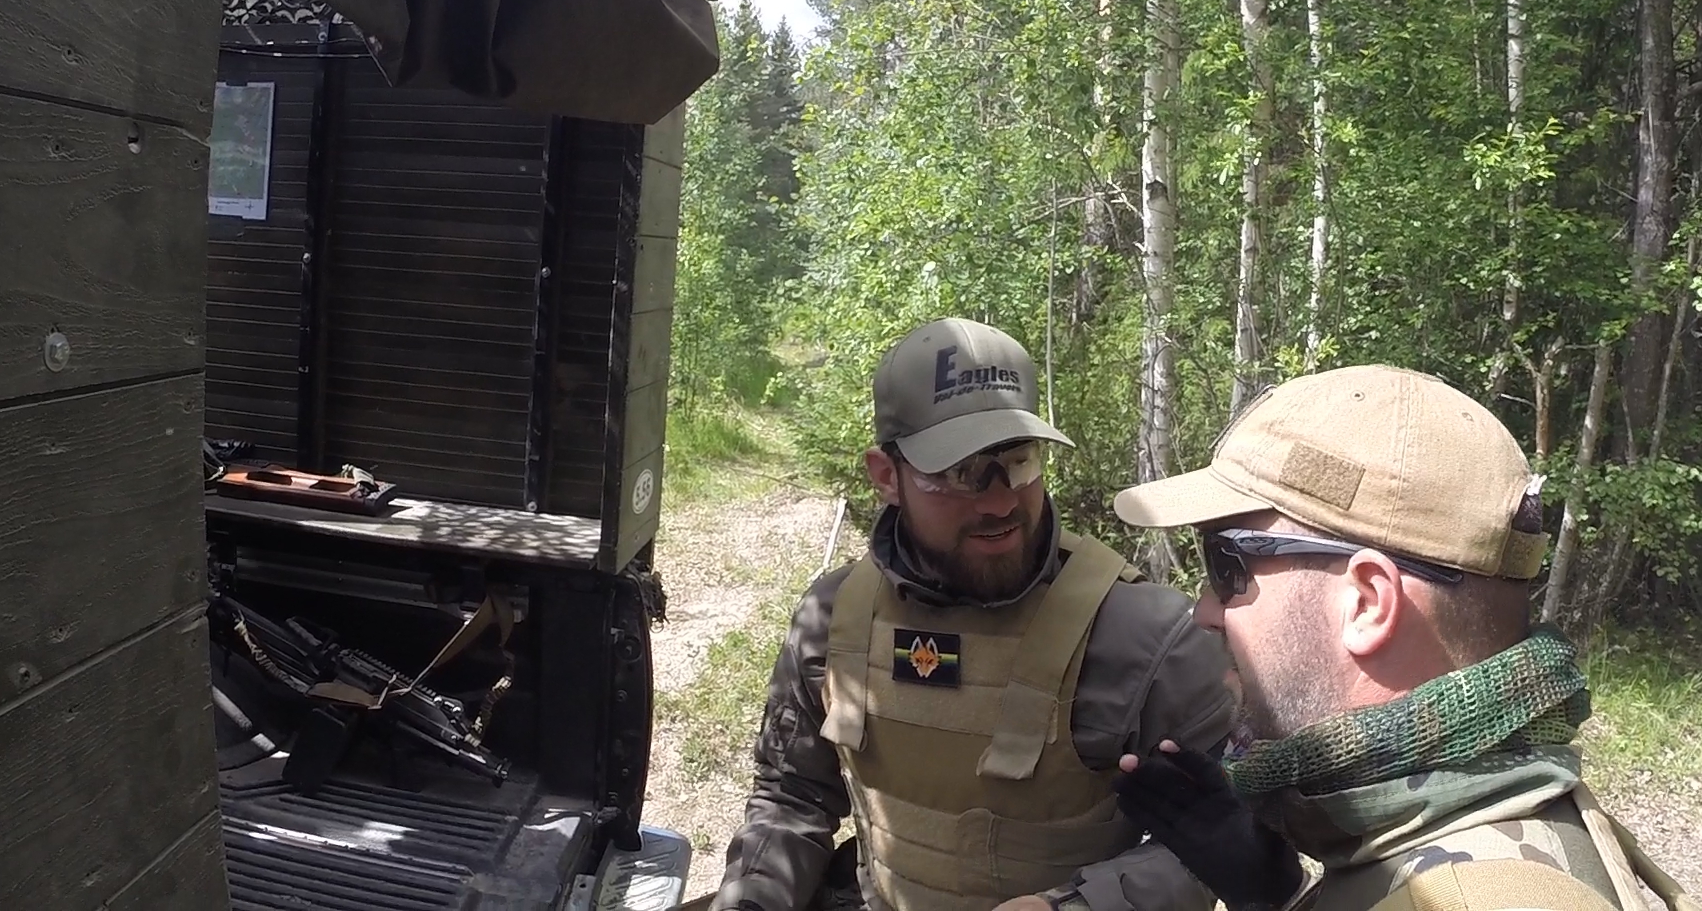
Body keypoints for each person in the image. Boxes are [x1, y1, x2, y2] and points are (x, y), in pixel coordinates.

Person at [1106, 364, 1696, 911]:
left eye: (1226, 566)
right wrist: (1276, 895)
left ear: (1368, 602)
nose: (1205, 611)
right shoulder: (1505, 814)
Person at [711, 318, 1238, 911]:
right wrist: (753, 899)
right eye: (960, 473)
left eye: (1018, 461)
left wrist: (1074, 907)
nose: (1000, 501)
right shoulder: (835, 618)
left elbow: (1228, 836)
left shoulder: (1147, 638)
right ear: (887, 476)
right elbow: (791, 795)